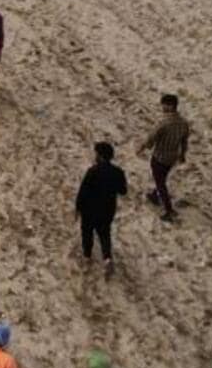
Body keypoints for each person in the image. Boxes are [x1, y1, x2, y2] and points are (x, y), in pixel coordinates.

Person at [75, 141, 128, 275]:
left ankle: (87, 256)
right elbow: (123, 191)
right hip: (108, 209)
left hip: (90, 209)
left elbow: (83, 191)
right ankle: (107, 258)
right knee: (104, 233)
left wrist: (78, 207)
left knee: (87, 232)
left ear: (100, 155)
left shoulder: (93, 171)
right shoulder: (118, 172)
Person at [137, 93, 190, 223]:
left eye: (164, 105)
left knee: (161, 183)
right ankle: (154, 195)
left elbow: (151, 138)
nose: (162, 107)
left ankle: (168, 210)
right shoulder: (183, 123)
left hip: (160, 157)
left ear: (170, 106)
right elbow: (184, 140)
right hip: (172, 157)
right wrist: (182, 155)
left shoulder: (163, 123)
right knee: (162, 177)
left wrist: (141, 148)